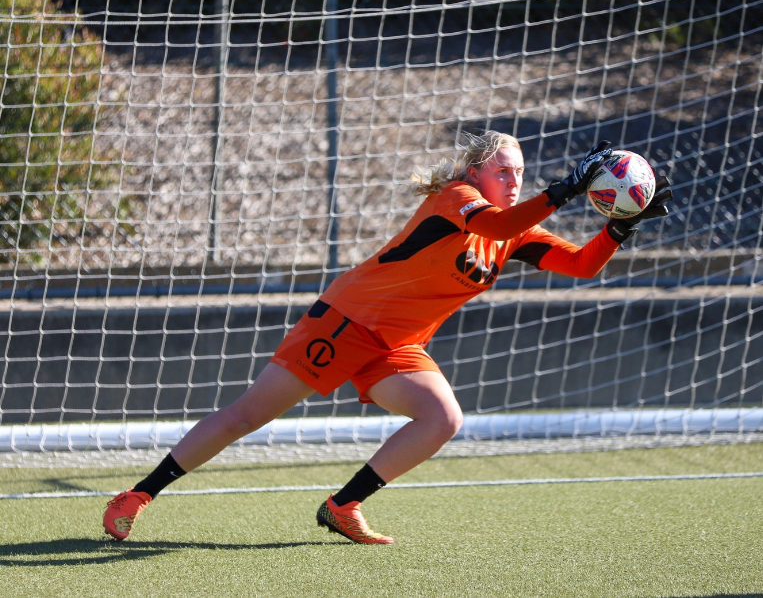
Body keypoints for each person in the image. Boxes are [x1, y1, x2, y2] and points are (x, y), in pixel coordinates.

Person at [103, 132, 672, 545]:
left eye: (520, 173)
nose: (514, 180)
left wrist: (618, 228)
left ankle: (343, 504)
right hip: (346, 320)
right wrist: (563, 191)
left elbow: (581, 267)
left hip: (397, 345)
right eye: (504, 171)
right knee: (248, 415)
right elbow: (497, 225)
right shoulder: (456, 201)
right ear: (474, 173)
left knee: (442, 418)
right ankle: (139, 495)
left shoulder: (513, 228)